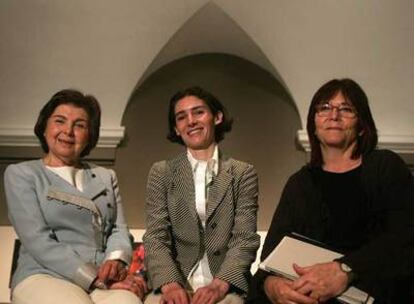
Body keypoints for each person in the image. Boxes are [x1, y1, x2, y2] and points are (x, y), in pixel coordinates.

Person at [248, 78, 414, 304]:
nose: (333, 115)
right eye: (324, 108)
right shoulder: (299, 183)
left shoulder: (385, 166)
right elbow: (268, 261)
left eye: (346, 109)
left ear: (362, 126)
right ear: (313, 126)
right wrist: (272, 287)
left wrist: (346, 269)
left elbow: (405, 237)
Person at [4, 89, 147, 304]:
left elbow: (118, 230)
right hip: (44, 275)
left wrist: (115, 261)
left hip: (103, 279)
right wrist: (95, 278)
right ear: (44, 128)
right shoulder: (22, 174)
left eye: (79, 125)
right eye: (59, 121)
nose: (68, 131)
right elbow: (38, 241)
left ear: (89, 135)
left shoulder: (106, 176)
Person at [143, 86, 260, 304]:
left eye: (198, 112)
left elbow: (244, 238)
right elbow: (155, 237)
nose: (191, 121)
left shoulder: (243, 172)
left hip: (226, 288)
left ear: (217, 117)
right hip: (175, 284)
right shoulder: (161, 172)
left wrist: (219, 285)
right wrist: (170, 285)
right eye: (181, 117)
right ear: (177, 129)